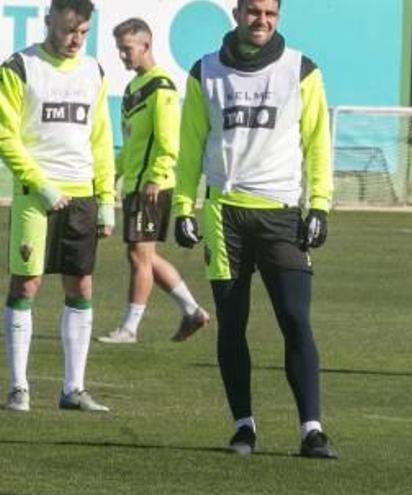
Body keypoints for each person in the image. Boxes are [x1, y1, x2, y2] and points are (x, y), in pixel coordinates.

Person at [173, 0, 336, 458]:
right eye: (252, 11)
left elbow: (317, 143)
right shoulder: (203, 71)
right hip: (224, 214)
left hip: (282, 214)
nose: (260, 20)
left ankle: (312, 430)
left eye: (270, 13)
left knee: (296, 321)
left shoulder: (301, 70)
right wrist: (184, 206)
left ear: (277, 16)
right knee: (232, 325)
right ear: (236, 13)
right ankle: (243, 427)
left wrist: (319, 204)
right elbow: (190, 148)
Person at [0, 0, 114, 412]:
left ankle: (73, 389)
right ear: (49, 20)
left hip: (82, 194)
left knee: (81, 284)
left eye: (83, 32)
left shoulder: (93, 71)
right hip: (37, 196)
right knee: (26, 284)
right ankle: (18, 387)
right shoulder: (20, 67)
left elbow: (101, 138)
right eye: (68, 30)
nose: (75, 40)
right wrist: (40, 184)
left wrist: (106, 200)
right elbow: (4, 136)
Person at [97, 18, 210, 345]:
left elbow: (168, 141)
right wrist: (114, 172)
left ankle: (130, 328)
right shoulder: (134, 88)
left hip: (152, 186)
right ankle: (192, 312)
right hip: (135, 184)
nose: (123, 56)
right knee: (141, 254)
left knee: (138, 255)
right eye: (120, 49)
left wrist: (157, 178)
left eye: (127, 49)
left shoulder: (162, 88)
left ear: (146, 46)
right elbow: (132, 143)